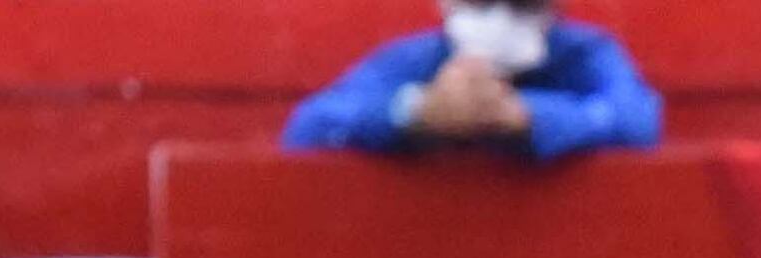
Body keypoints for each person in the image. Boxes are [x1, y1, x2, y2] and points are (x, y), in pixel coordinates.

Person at [281, 0, 663, 158]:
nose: (498, 17)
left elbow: (637, 118)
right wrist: (413, 112)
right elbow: (312, 122)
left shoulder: (584, 53)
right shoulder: (417, 58)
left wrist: (527, 117)